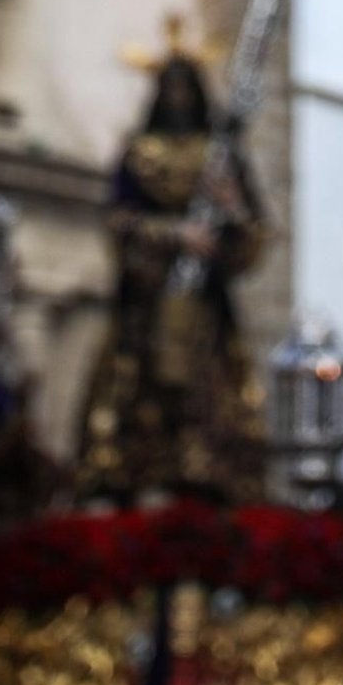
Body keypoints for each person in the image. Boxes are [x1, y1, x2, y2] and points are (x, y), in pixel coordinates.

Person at [75, 52, 264, 505]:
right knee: (133, 392)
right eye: (170, 90)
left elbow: (251, 232)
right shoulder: (139, 154)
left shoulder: (221, 157)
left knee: (209, 398)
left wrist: (232, 207)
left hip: (204, 305)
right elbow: (119, 221)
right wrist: (177, 234)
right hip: (146, 300)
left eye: (186, 89)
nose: (178, 99)